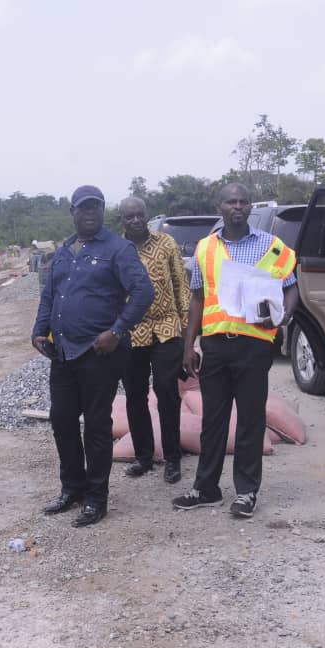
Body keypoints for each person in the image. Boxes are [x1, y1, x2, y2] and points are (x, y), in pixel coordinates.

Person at [174, 183, 297, 519]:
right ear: (220, 206)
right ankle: (206, 488)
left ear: (251, 207)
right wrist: (189, 345)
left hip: (255, 346)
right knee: (213, 420)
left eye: (244, 202)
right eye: (231, 202)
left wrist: (285, 315)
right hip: (214, 346)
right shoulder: (204, 249)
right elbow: (197, 299)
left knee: (250, 421)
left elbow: (291, 286)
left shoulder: (272, 247)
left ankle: (246, 492)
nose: (238, 207)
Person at [33, 185, 154, 527]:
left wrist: (116, 331)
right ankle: (72, 488)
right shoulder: (64, 251)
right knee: (62, 421)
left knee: (97, 426)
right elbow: (50, 294)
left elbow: (144, 291)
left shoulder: (118, 249)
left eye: (95, 208)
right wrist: (39, 330)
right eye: (83, 208)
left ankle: (96, 498)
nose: (89, 213)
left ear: (102, 211)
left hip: (99, 352)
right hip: (64, 352)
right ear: (72, 212)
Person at [119, 196, 190, 484]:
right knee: (135, 395)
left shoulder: (166, 243)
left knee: (166, 390)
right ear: (121, 220)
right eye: (129, 217)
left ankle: (173, 457)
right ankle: (144, 456)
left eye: (140, 215)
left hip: (167, 327)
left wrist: (187, 331)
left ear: (147, 216)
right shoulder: (116, 250)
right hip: (131, 331)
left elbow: (181, 286)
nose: (135, 221)